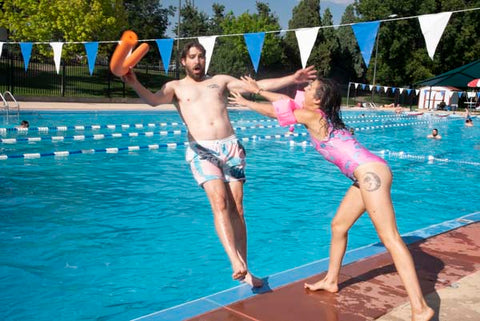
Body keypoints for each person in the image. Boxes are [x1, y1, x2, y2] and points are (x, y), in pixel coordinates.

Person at [229, 76, 434, 321]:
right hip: (366, 175)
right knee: (338, 226)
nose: (303, 89)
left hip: (371, 174)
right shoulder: (316, 114)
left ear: (318, 99)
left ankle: (420, 307)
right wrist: (259, 89)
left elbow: (277, 113)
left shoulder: (313, 116)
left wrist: (248, 102)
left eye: (309, 88)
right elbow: (285, 102)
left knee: (390, 238)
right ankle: (331, 280)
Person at [120, 41, 316, 287]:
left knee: (238, 208)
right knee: (219, 201)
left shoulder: (220, 81)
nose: (197, 61)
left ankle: (246, 270)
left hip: (230, 147)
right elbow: (153, 100)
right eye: (192, 57)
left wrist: (292, 78)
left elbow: (255, 86)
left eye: (201, 56)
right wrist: (135, 82)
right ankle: (234, 262)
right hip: (201, 150)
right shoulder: (175, 87)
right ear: (183, 61)